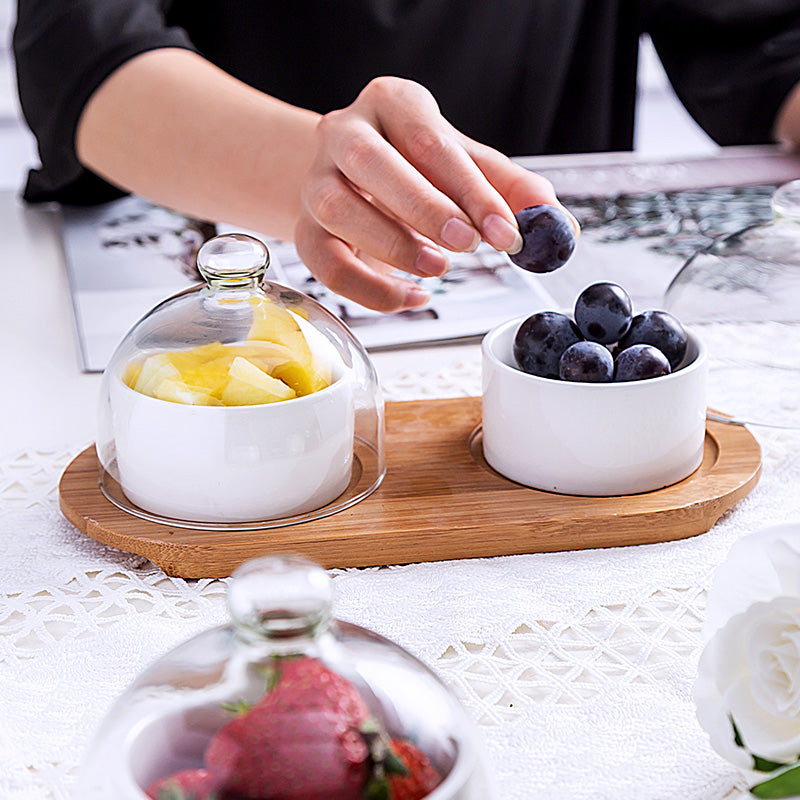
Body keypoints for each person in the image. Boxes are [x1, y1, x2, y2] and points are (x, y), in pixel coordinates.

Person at [13, 1, 800, 312]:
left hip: (549, 323)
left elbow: (759, 38)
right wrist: (315, 171)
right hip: (239, 311)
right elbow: (81, 50)